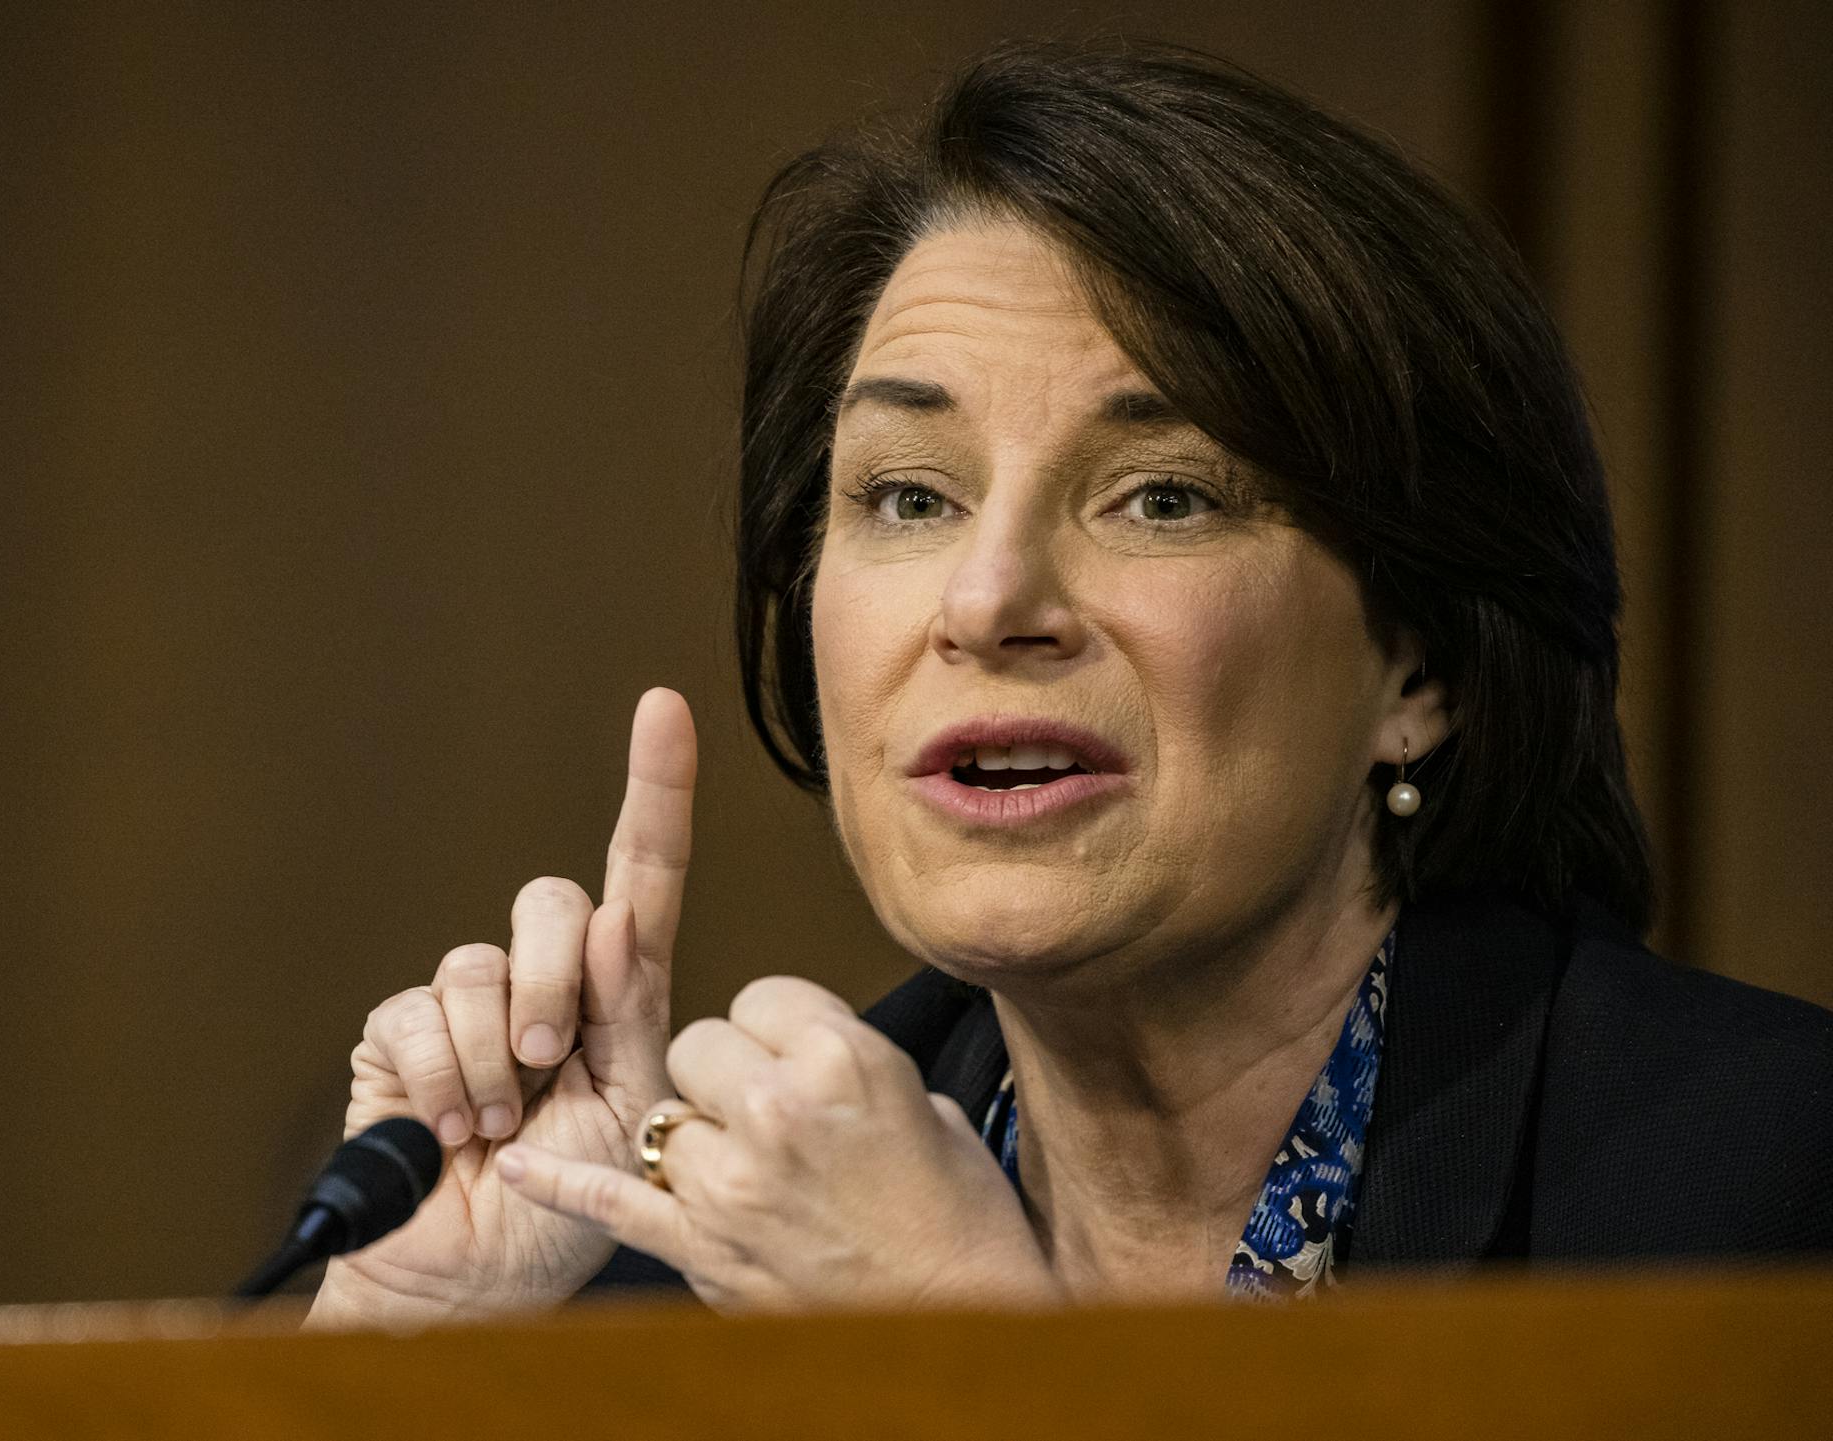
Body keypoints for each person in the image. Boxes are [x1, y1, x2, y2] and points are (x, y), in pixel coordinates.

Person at [308, 43, 1833, 1323]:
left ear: (1418, 661)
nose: (989, 602)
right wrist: (403, 1358)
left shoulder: (1760, 1192)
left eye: (1163, 496)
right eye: (909, 496)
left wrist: (981, 1372)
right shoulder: (670, 1248)